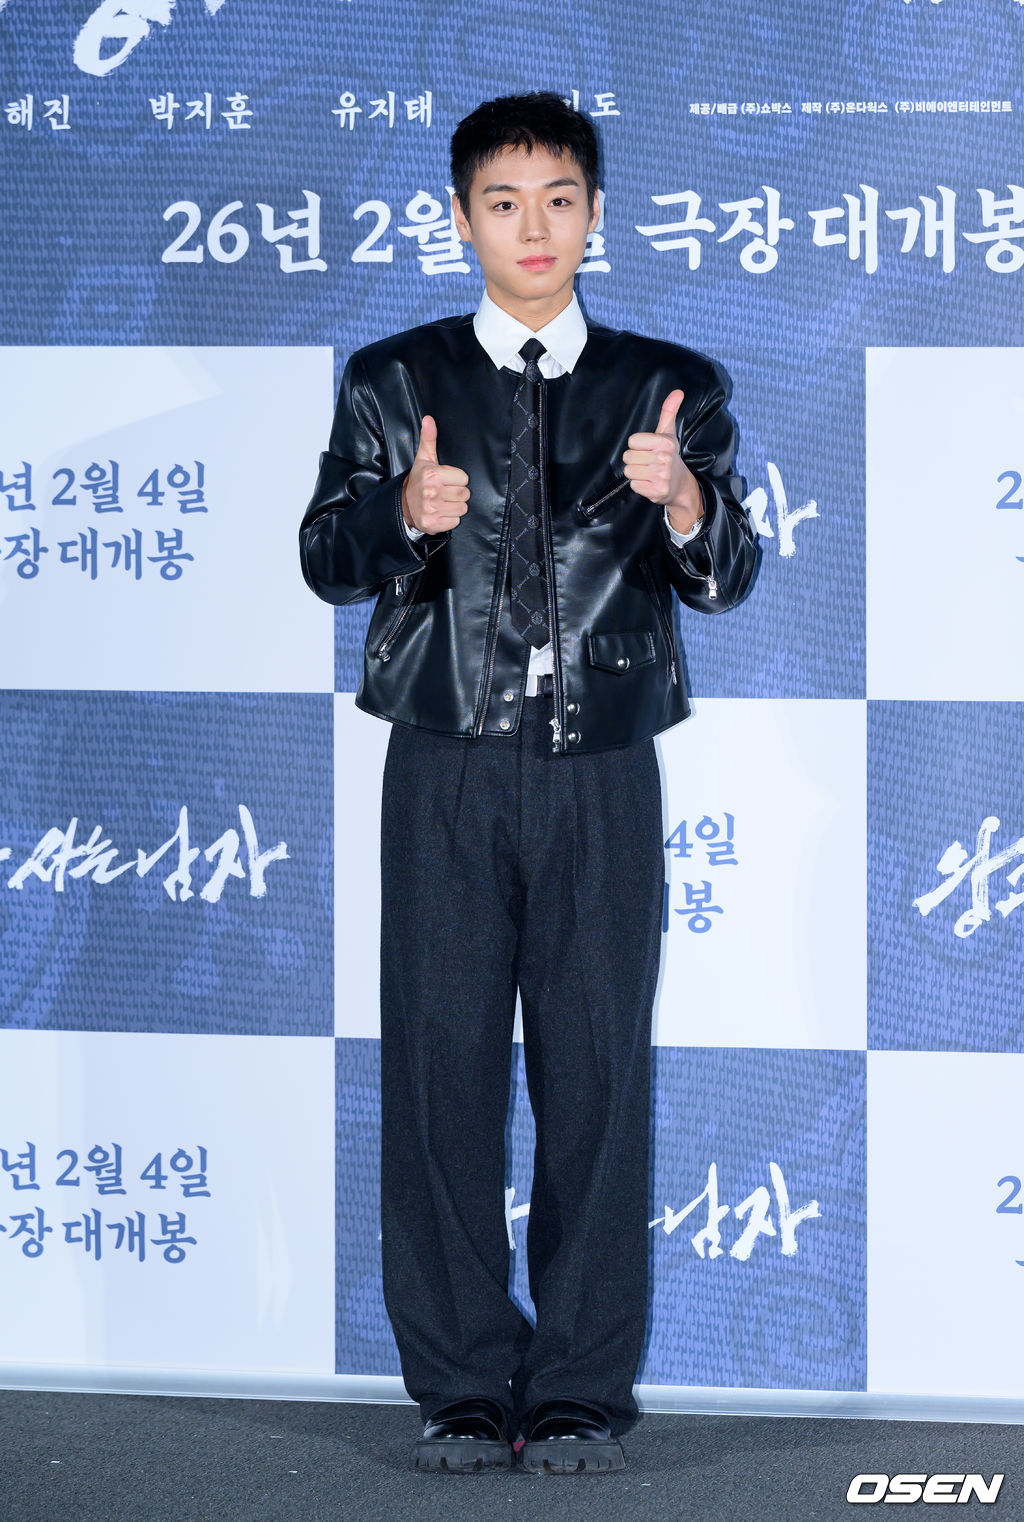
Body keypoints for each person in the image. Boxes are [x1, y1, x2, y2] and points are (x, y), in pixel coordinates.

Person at [299, 90, 760, 1476]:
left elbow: (725, 575)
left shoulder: (667, 383)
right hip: (442, 758)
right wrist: (401, 514)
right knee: (438, 1071)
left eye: (560, 198)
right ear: (462, 219)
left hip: (599, 767)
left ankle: (576, 1387)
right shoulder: (394, 380)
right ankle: (456, 1382)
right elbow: (325, 556)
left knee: (596, 1074)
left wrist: (685, 499)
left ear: (595, 213)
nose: (535, 226)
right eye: (504, 202)